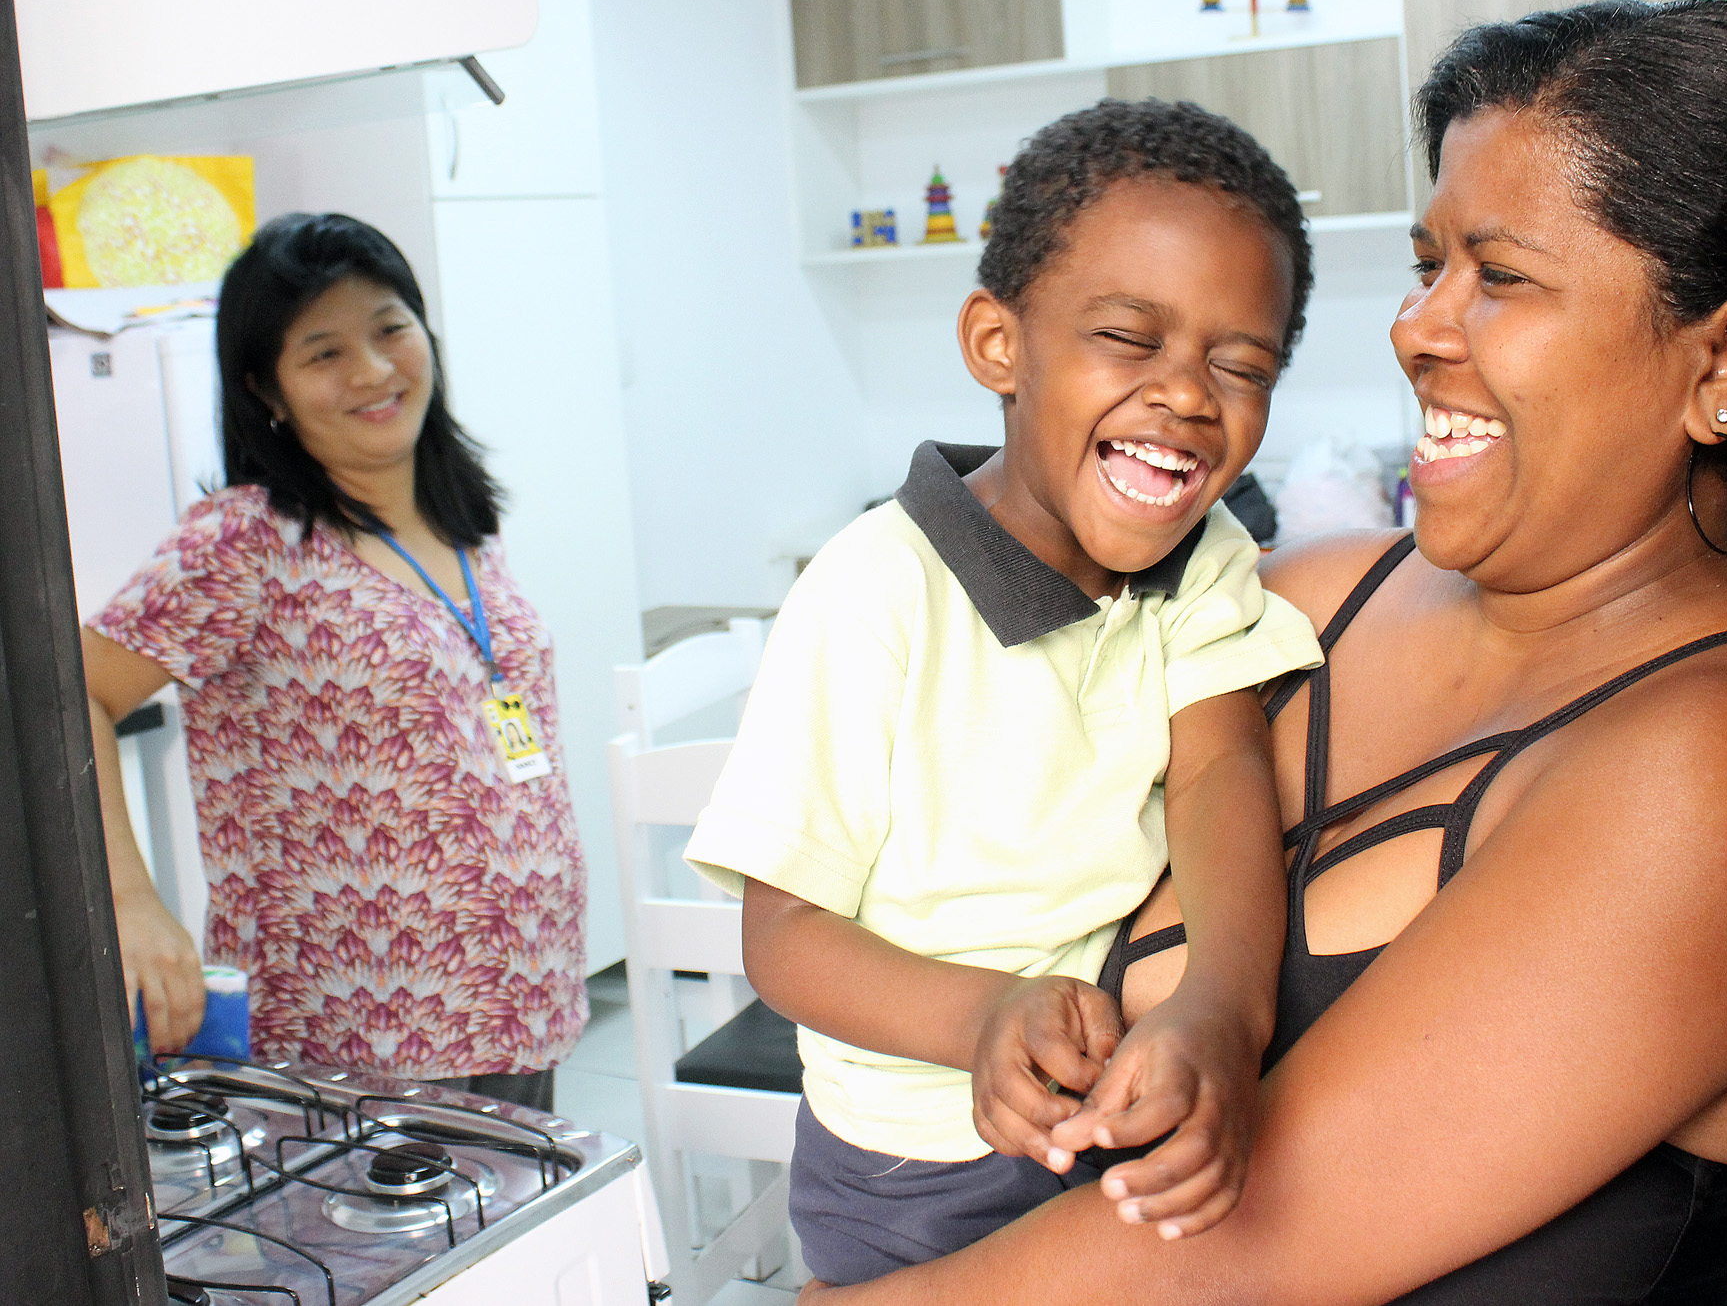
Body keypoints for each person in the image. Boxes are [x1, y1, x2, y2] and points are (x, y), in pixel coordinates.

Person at [805, 0, 1727, 1304]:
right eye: (1426, 261)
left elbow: (1257, 1240)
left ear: (1726, 355)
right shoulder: (1312, 597)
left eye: (1498, 276)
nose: (1416, 329)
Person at [683, 99, 1325, 1285]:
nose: (1188, 395)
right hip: (910, 1165)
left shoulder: (1207, 554)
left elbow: (1217, 769)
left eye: (1241, 364)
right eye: (1130, 339)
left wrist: (1223, 1018)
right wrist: (983, 1017)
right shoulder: (871, 590)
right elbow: (781, 940)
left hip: (1120, 1095)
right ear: (998, 346)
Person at [87, 212, 586, 1110]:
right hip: (354, 1038)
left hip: (517, 1006)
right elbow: (70, 694)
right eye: (323, 353)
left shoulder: (462, 520)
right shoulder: (248, 539)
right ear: (265, 388)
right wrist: (129, 903)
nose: (373, 369)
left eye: (391, 327)